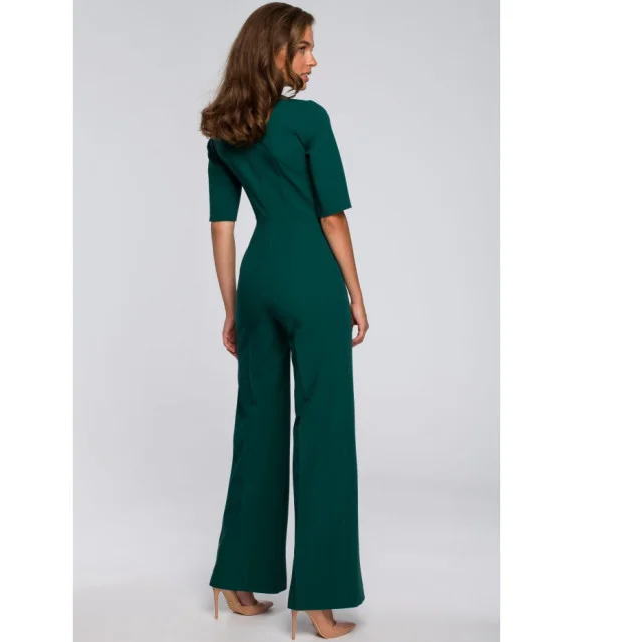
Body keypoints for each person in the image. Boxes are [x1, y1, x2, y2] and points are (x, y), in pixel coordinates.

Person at [200, 3, 369, 638]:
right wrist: (355, 293)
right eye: (303, 48)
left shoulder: (224, 132)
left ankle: (237, 580)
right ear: (274, 51)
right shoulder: (307, 119)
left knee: (258, 424)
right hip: (311, 280)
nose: (312, 60)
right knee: (324, 432)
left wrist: (231, 307)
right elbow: (332, 217)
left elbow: (222, 228)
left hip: (258, 280)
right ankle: (317, 602)